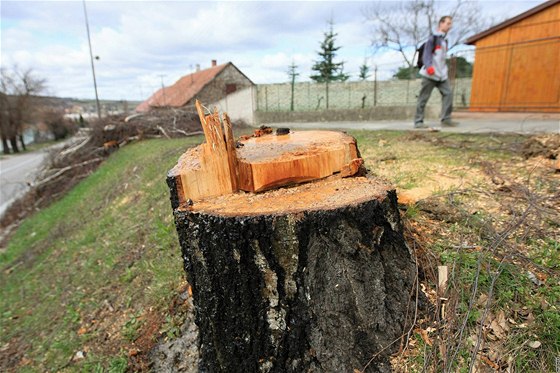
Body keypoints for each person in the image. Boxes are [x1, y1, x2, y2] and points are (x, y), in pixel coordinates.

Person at [414, 16, 459, 128]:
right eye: (448, 23)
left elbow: (441, 59)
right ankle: (418, 121)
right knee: (423, 98)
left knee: (448, 94)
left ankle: (446, 119)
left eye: (450, 24)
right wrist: (429, 66)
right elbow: (427, 54)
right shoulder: (433, 38)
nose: (450, 26)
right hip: (430, 74)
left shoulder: (444, 41)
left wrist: (444, 71)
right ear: (441, 24)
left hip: (441, 75)